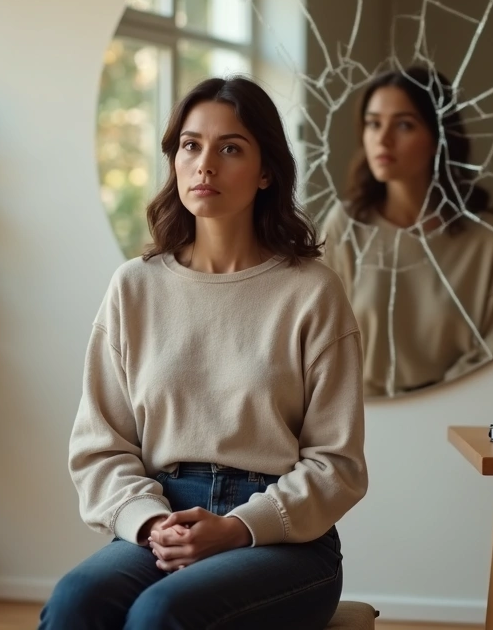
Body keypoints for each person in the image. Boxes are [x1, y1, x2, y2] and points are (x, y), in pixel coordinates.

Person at [39, 75, 368, 630]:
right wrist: (148, 523)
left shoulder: (311, 291)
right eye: (191, 145)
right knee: (76, 601)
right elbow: (101, 447)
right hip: (164, 516)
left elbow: (337, 465)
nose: (205, 164)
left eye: (230, 148)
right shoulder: (133, 288)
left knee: (162, 613)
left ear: (266, 172)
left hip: (282, 535)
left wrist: (238, 527)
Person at [320, 66, 493, 397]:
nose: (383, 139)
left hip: (462, 414)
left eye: (404, 125)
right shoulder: (346, 225)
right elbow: (321, 338)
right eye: (374, 123)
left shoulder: (490, 238)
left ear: (438, 136)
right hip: (362, 415)